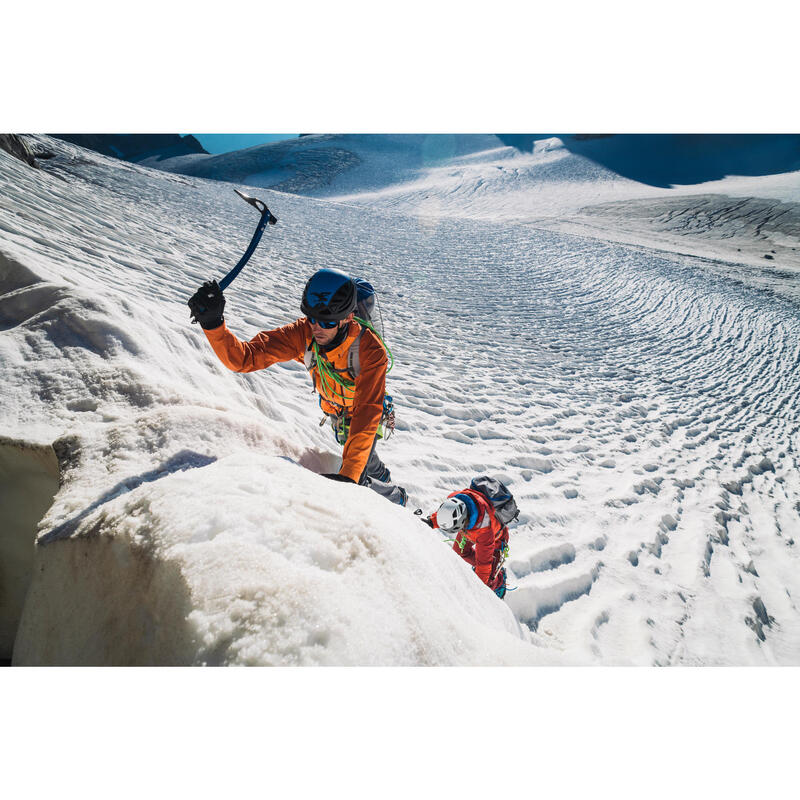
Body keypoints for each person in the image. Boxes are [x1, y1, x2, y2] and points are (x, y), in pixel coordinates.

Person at [187, 268, 407, 505]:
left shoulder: (370, 350)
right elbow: (245, 358)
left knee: (359, 476)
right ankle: (383, 479)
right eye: (311, 318)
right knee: (367, 463)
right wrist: (213, 324)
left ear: (347, 318)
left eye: (327, 322)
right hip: (338, 413)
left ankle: (398, 499)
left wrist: (349, 477)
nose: (316, 327)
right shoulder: (303, 334)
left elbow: (366, 413)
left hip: (365, 415)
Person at [423, 487, 509, 598]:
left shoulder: (484, 531)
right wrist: (432, 521)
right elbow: (448, 512)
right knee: (459, 552)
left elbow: (484, 565)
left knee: (487, 582)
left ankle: (500, 580)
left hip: (495, 539)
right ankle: (485, 568)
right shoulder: (459, 501)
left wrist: (479, 587)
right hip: (469, 530)